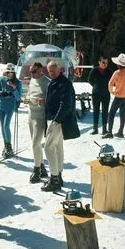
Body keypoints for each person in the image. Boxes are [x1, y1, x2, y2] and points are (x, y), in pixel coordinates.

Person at [42, 61, 80, 192]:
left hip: (58, 121)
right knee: (57, 148)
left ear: (59, 70)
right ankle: (58, 175)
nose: (51, 73)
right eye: (49, 71)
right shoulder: (53, 81)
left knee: (48, 148)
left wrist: (56, 120)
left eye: (53, 70)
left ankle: (54, 179)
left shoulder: (64, 83)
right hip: (52, 119)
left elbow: (66, 104)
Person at [24, 63, 51, 184]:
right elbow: (30, 93)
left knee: (35, 143)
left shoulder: (47, 82)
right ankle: (41, 166)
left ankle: (37, 170)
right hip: (31, 114)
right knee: (35, 143)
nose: (32, 74)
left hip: (41, 117)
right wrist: (27, 97)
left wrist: (43, 100)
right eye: (30, 72)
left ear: (40, 70)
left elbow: (51, 99)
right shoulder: (32, 81)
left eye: (34, 71)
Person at [0, 63, 23, 158]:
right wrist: (0, 93)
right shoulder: (2, 79)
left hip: (10, 106)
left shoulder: (18, 82)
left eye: (10, 72)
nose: (8, 74)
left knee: (6, 126)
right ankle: (6, 146)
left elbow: (19, 98)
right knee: (2, 127)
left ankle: (9, 146)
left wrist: (14, 88)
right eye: (7, 72)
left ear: (13, 73)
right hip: (0, 105)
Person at [103, 53, 125, 139]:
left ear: (118, 64)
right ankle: (120, 132)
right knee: (122, 114)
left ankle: (109, 132)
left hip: (118, 97)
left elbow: (110, 84)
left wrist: (113, 92)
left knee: (111, 113)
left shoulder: (117, 73)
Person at [88, 56, 114, 135]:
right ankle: (95, 129)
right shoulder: (94, 70)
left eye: (106, 62)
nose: (105, 64)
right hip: (96, 94)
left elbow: (113, 81)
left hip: (106, 94)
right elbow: (89, 80)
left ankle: (104, 129)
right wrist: (95, 86)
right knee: (96, 111)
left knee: (105, 111)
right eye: (103, 62)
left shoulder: (109, 71)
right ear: (99, 62)